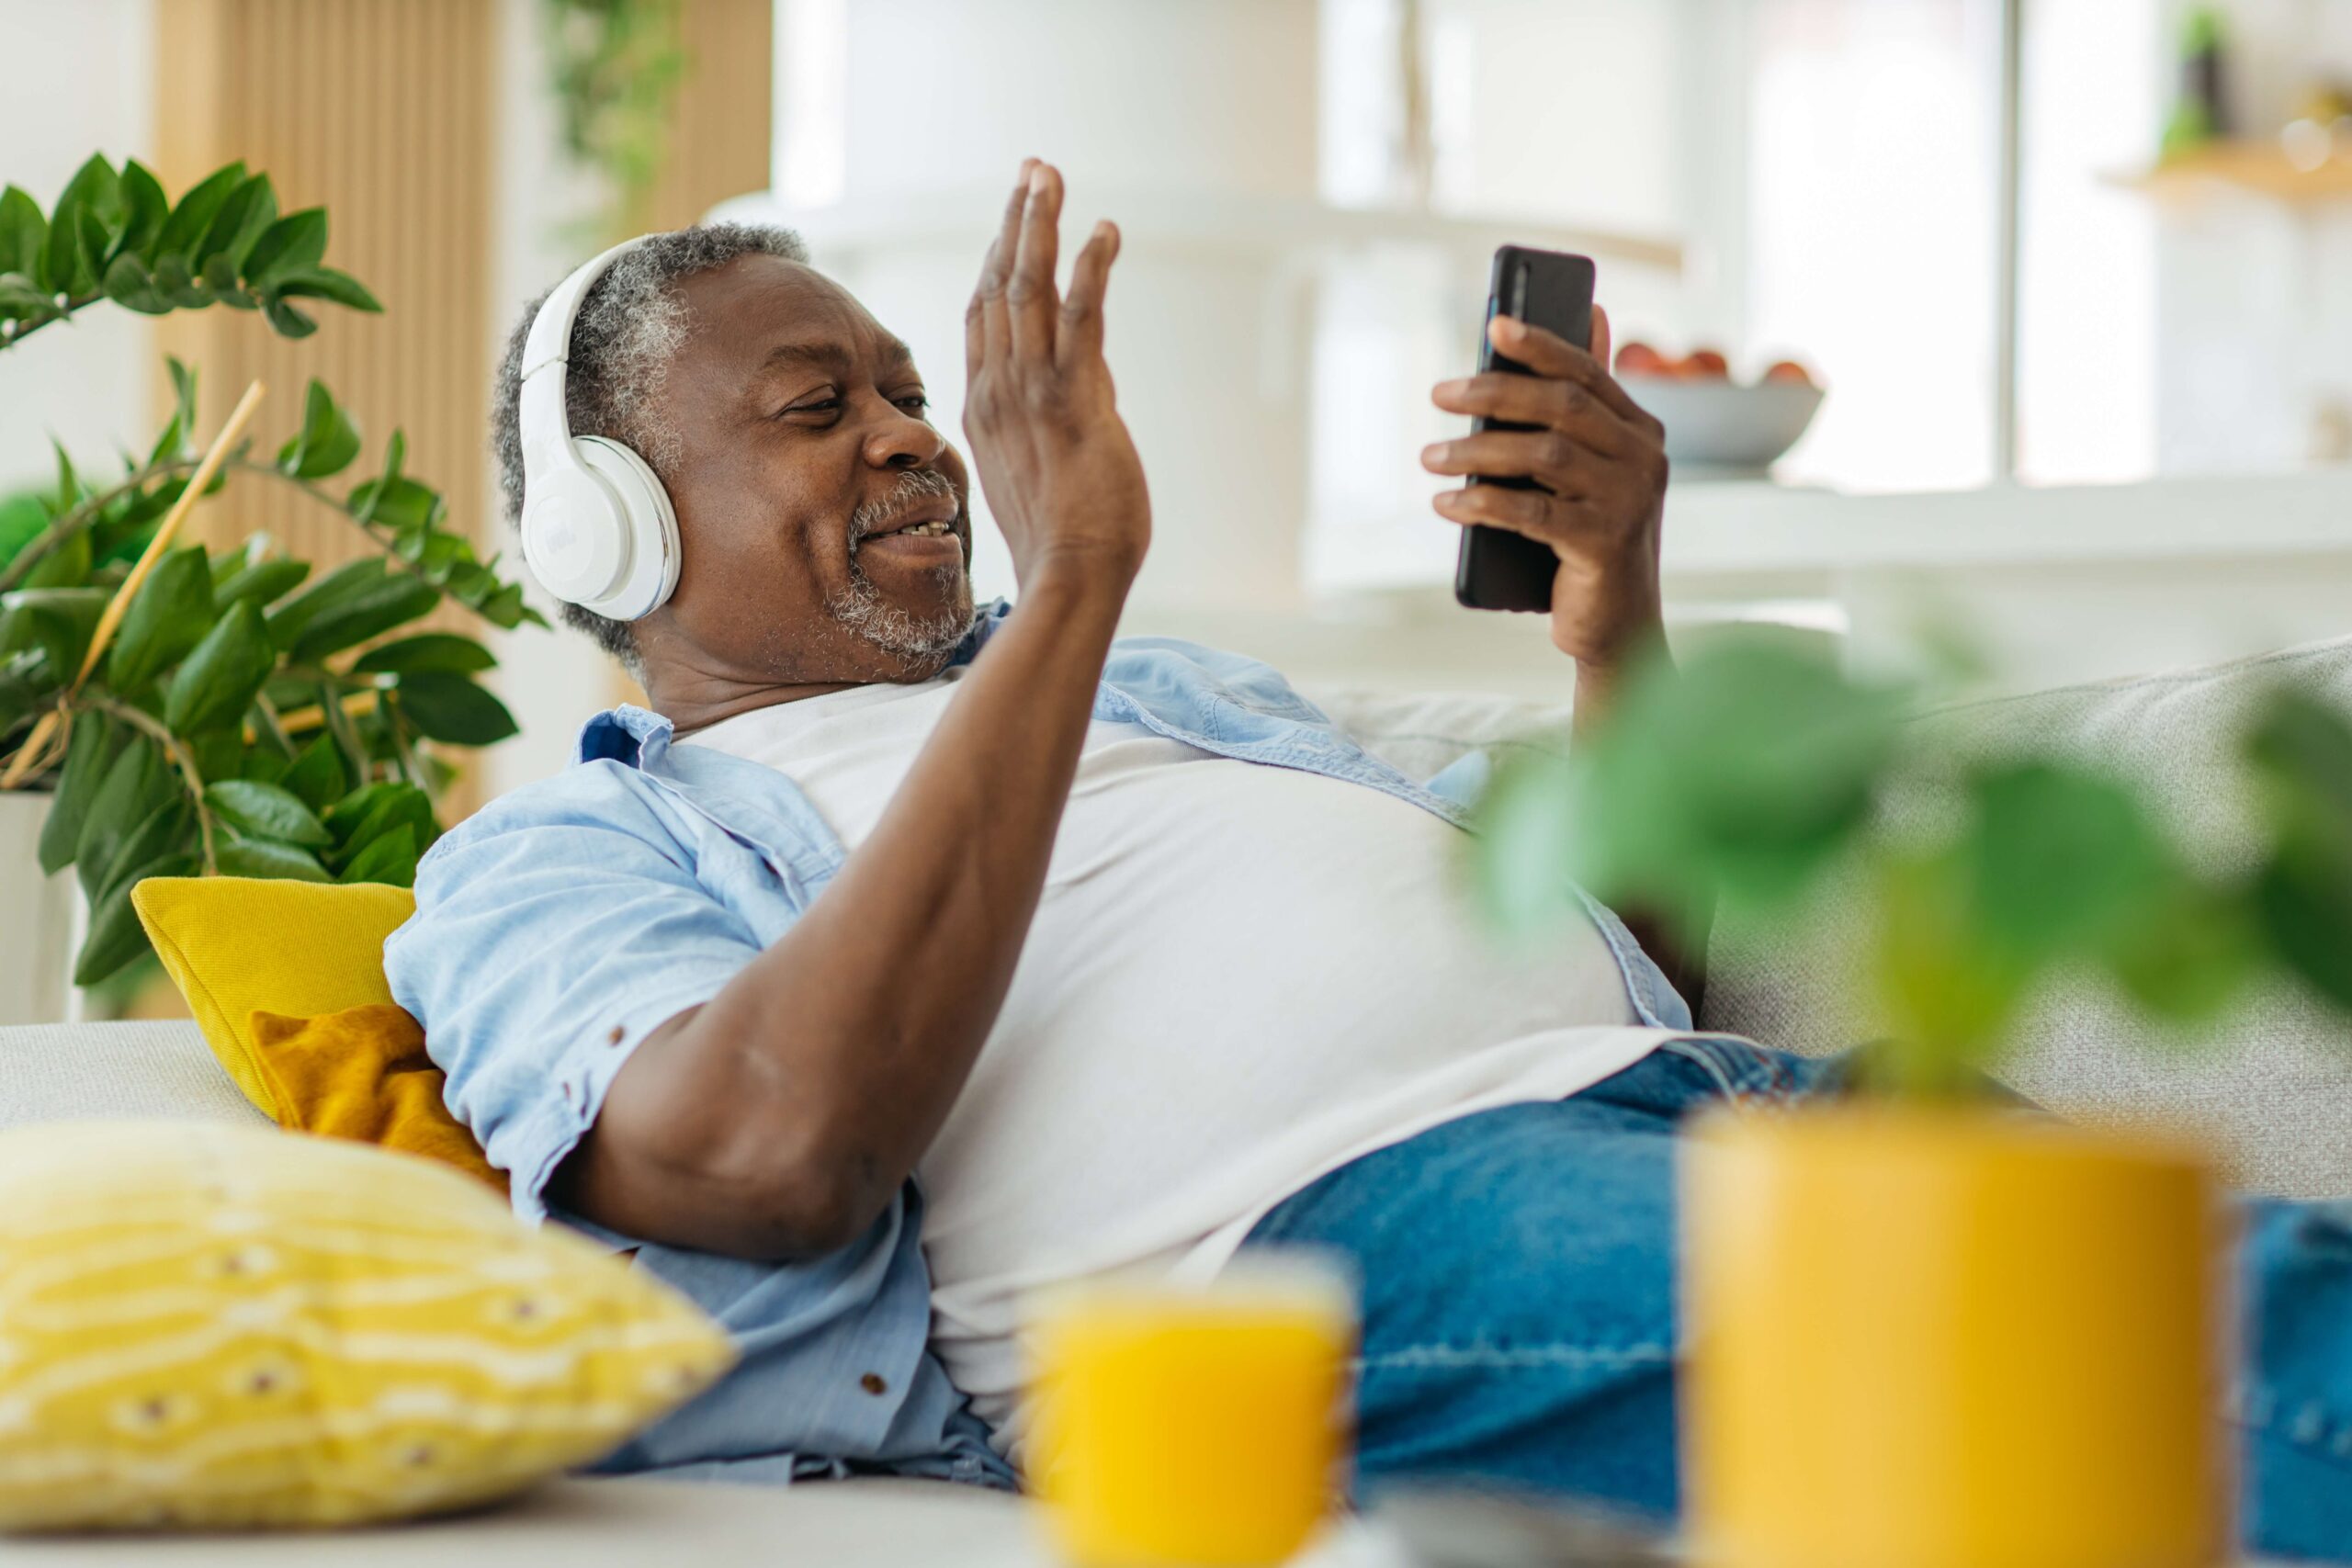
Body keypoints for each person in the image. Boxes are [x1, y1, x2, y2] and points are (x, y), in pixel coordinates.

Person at [387, 163, 2349, 1559]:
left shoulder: (1172, 696)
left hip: (1671, 1097)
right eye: (821, 410)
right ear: (612, 540)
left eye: (909, 392)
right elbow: (762, 1153)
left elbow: (1608, 958)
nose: (912, 441)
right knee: (2204, 1324)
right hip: (1324, 1237)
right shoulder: (561, 850)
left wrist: (1613, 616)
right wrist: (1074, 574)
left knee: (2225, 1321)